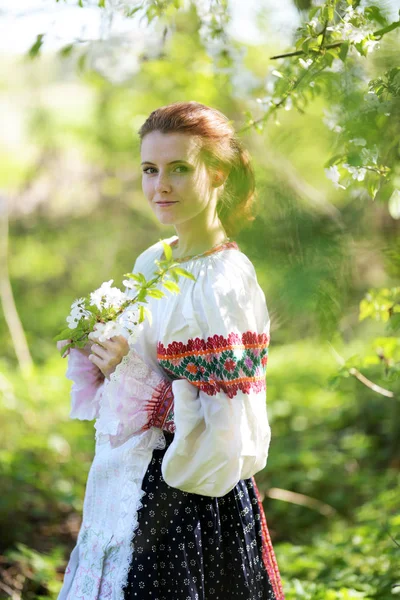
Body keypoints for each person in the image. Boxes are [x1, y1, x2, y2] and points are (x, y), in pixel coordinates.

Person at [56, 101, 285, 600]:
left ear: (218, 173)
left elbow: (229, 425)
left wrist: (133, 375)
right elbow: (148, 356)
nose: (160, 185)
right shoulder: (154, 258)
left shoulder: (225, 280)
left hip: (188, 495)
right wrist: (105, 350)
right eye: (149, 169)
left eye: (180, 168)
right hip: (127, 479)